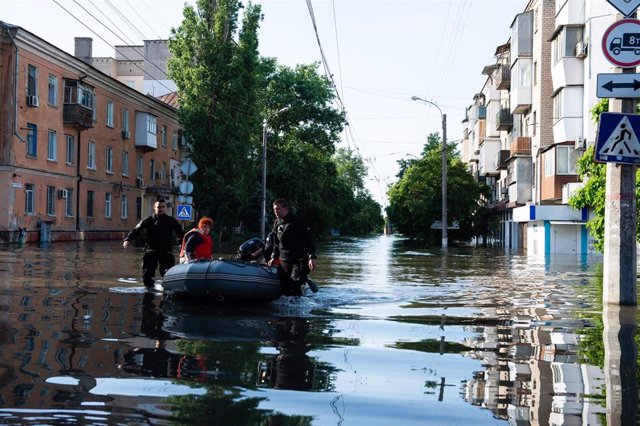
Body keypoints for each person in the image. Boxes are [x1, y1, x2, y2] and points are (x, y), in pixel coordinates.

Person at [123, 199, 185, 288]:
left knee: (168, 274)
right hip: (151, 251)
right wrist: (128, 239)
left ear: (166, 208)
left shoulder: (171, 220)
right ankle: (149, 293)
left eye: (163, 207)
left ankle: (167, 291)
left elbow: (180, 233)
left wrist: (182, 245)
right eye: (159, 207)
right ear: (154, 207)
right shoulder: (149, 220)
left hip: (166, 251)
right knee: (147, 274)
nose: (161, 209)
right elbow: (136, 230)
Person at [267, 198, 317, 296]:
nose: (276, 212)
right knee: (284, 291)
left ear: (285, 209)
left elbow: (308, 239)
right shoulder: (276, 223)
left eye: (278, 209)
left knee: (294, 288)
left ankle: (298, 310)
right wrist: (273, 257)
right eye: (274, 210)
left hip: (299, 262)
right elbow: (276, 243)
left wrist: (312, 256)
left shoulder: (296, 221)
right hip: (284, 262)